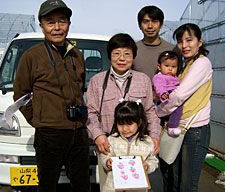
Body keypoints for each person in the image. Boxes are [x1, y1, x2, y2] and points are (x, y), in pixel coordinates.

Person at [13, 0, 90, 191]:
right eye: (50, 22)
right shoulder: (32, 56)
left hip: (78, 131)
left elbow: (81, 89)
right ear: (42, 26)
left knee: (82, 185)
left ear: (69, 24)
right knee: (47, 185)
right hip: (49, 134)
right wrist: (39, 119)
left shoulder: (77, 55)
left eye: (62, 21)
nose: (57, 27)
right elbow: (20, 94)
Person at [86, 33, 161, 191]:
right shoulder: (97, 81)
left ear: (133, 56)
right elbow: (90, 113)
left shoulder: (143, 80)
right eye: (116, 53)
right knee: (109, 188)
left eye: (127, 54)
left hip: (137, 146)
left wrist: (154, 136)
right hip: (109, 147)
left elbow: (150, 111)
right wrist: (98, 135)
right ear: (110, 56)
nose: (122, 58)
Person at [156, 23, 213, 192]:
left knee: (187, 185)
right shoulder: (186, 64)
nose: (185, 45)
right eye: (180, 42)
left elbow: (179, 96)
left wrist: (157, 112)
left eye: (189, 40)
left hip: (194, 130)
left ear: (200, 41)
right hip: (180, 128)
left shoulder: (202, 63)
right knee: (175, 180)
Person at [100, 101, 159, 191]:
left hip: (137, 188)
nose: (125, 129)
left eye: (129, 124)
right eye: (120, 124)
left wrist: (147, 166)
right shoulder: (111, 140)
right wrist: (107, 162)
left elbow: (153, 160)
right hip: (113, 187)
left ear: (139, 122)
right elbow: (105, 155)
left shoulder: (147, 142)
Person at [133, 5, 175, 80]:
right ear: (139, 25)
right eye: (146, 22)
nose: (150, 26)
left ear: (161, 25)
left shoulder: (172, 50)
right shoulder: (132, 49)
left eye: (154, 21)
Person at [152, 50, 182, 136]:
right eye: (167, 65)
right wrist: (162, 93)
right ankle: (171, 127)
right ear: (159, 67)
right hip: (163, 97)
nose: (170, 69)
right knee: (162, 117)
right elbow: (158, 87)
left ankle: (171, 126)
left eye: (174, 66)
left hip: (172, 97)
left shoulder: (175, 77)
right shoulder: (159, 76)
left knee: (177, 110)